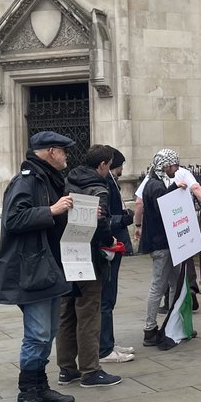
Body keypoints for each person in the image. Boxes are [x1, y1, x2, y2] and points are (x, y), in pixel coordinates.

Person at [0, 131, 78, 402]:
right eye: (64, 151)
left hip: (50, 267)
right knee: (38, 334)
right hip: (32, 270)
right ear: (51, 151)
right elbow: (13, 219)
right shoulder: (27, 180)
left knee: (49, 332)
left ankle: (41, 386)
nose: (67, 156)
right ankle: (26, 396)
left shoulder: (48, 180)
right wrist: (52, 209)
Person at [56, 146, 123, 388]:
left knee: (67, 311)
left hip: (67, 253)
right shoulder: (99, 187)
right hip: (89, 258)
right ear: (103, 164)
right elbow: (102, 224)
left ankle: (66, 368)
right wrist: (110, 241)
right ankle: (91, 370)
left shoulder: (69, 180)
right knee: (88, 312)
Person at [138, 148, 189, 346]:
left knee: (174, 283)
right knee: (159, 286)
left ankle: (174, 322)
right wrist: (175, 188)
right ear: (166, 165)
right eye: (174, 165)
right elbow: (165, 210)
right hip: (162, 244)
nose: (176, 169)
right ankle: (149, 329)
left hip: (162, 243)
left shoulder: (152, 184)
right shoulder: (156, 186)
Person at [99, 148, 135, 363]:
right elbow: (105, 218)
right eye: (120, 167)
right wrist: (122, 220)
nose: (122, 171)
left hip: (115, 245)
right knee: (106, 298)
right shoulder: (106, 184)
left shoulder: (111, 183)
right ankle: (104, 348)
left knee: (109, 299)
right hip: (110, 246)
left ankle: (108, 343)